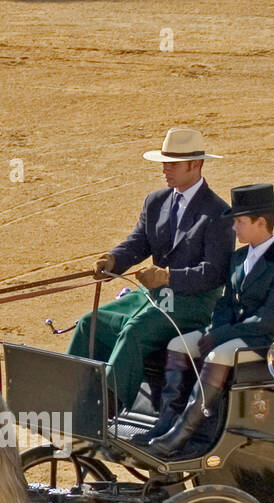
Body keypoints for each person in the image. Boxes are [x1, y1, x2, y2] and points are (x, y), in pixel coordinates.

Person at [66, 128, 232, 413]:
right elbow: (139, 242)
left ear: (196, 165)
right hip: (153, 297)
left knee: (134, 332)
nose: (165, 170)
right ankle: (70, 394)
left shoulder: (219, 213)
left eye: (173, 164)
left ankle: (106, 407)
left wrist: (169, 277)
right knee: (88, 323)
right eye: (164, 163)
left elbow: (214, 273)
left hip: (194, 304)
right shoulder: (156, 201)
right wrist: (114, 260)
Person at [144, 183, 274, 457]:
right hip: (230, 332)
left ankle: (184, 431)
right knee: (178, 345)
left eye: (240, 222)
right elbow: (226, 302)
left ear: (261, 222)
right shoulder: (239, 257)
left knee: (218, 354)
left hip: (261, 340)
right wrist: (215, 329)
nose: (234, 229)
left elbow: (269, 319)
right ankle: (166, 422)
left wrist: (220, 335)